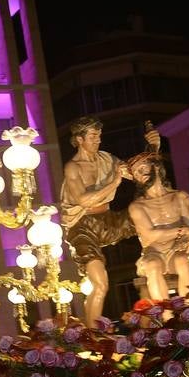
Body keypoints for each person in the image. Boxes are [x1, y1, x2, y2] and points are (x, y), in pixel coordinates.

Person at [59, 116, 143, 325]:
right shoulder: (73, 167)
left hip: (108, 219)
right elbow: (84, 200)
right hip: (82, 226)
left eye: (99, 136)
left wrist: (153, 148)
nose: (98, 140)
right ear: (79, 139)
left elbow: (141, 172)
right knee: (101, 284)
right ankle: (94, 336)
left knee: (143, 214)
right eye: (93, 136)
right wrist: (115, 181)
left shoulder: (108, 159)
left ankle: (153, 263)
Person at [126, 150, 189, 301]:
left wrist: (185, 239)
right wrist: (183, 231)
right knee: (153, 265)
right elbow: (150, 235)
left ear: (156, 167)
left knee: (183, 260)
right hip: (154, 251)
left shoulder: (180, 197)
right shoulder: (137, 206)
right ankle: (164, 314)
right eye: (135, 173)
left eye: (142, 168)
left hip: (177, 249)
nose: (140, 174)